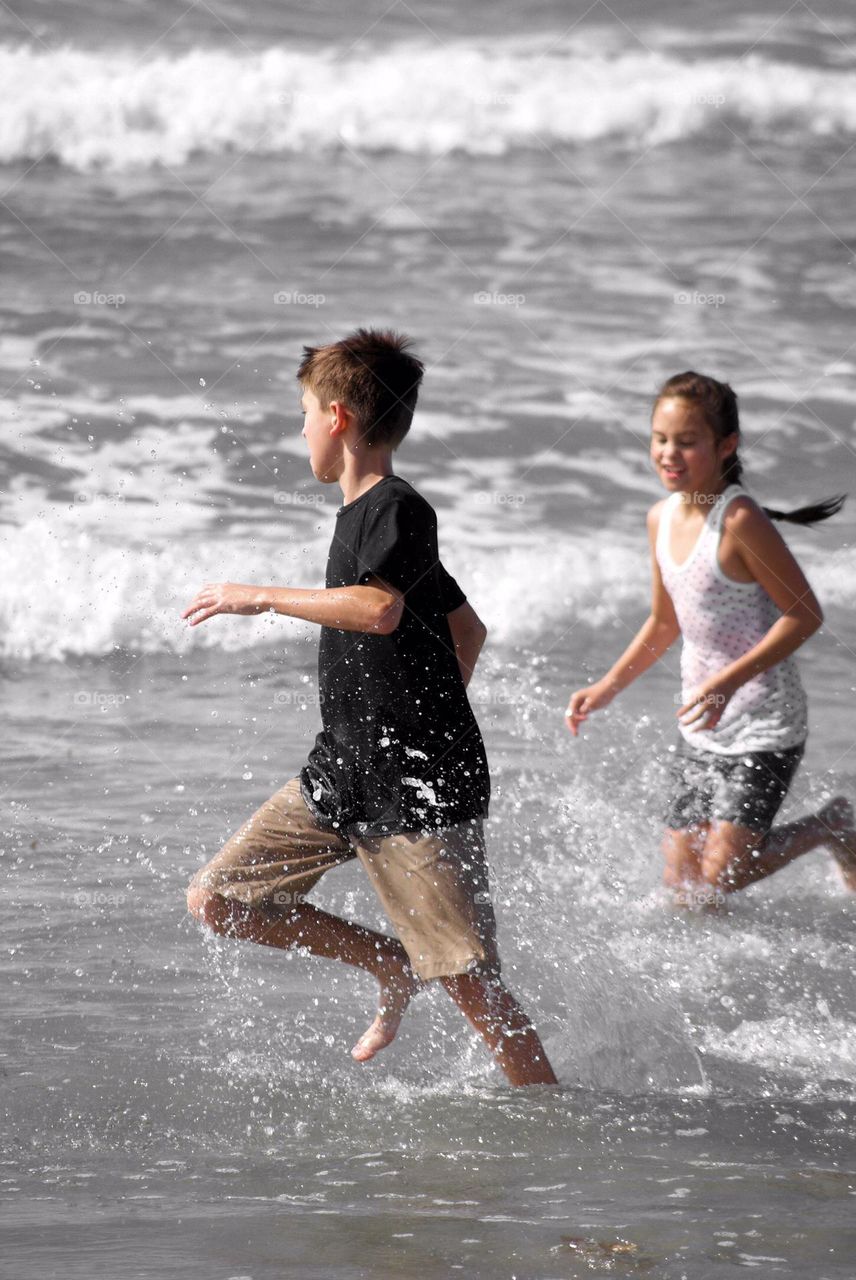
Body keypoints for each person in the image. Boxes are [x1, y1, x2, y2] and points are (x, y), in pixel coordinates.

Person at [183, 328, 556, 1087]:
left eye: (304, 416)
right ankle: (389, 963)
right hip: (346, 766)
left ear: (339, 417)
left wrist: (258, 596)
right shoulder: (364, 517)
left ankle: (553, 1121)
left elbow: (378, 610)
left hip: (415, 789)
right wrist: (420, 704)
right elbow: (467, 629)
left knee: (468, 980)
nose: (302, 432)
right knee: (220, 898)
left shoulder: (396, 508)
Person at [565, 370, 856, 907]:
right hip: (701, 720)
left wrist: (727, 682)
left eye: (687, 441)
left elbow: (804, 613)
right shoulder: (660, 518)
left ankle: (832, 825)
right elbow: (663, 623)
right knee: (684, 887)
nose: (668, 453)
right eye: (660, 438)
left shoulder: (739, 519)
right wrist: (606, 687)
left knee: (722, 876)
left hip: (765, 720)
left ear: (726, 445)